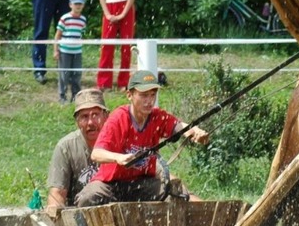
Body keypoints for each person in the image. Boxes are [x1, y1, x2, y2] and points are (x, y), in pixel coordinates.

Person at [75, 70, 208, 207]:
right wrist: (118, 158)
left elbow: (178, 126)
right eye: (144, 95)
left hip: (143, 184)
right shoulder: (118, 118)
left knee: (176, 191)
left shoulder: (157, 116)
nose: (149, 101)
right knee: (89, 197)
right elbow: (96, 154)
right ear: (130, 95)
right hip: (110, 185)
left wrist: (193, 131)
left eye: (152, 95)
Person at [46, 89, 109, 215]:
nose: (90, 122)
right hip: (79, 215)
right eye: (84, 117)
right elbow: (57, 194)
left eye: (95, 115)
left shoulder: (119, 142)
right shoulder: (66, 147)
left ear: (106, 116)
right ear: (77, 122)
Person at [54, 0, 87, 103]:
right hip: (65, 51)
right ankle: (62, 96)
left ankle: (76, 95)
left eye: (80, 4)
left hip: (77, 51)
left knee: (77, 74)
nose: (78, 6)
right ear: (70, 5)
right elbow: (57, 35)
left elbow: (81, 34)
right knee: (64, 74)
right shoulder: (65, 18)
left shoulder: (83, 19)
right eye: (76, 4)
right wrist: (56, 50)